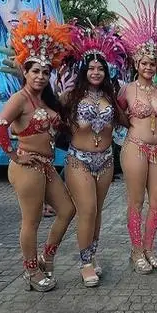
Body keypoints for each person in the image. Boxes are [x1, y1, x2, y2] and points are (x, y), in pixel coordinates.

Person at [0, 12, 76, 292]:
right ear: (24, 72)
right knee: (32, 220)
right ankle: (30, 271)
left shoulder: (44, 99)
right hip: (27, 166)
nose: (41, 76)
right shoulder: (19, 98)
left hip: (47, 166)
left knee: (67, 210)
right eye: (35, 71)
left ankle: (46, 257)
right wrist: (14, 155)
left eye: (45, 71)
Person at [58, 26, 127, 286]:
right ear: (84, 72)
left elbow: (126, 120)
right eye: (91, 69)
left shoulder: (111, 96)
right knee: (86, 210)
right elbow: (50, 111)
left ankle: (93, 255)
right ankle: (85, 263)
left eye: (100, 68)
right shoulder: (70, 97)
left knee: (97, 211)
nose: (96, 72)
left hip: (106, 160)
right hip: (79, 160)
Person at [117, 0, 157, 274]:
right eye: (144, 63)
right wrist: (127, 123)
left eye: (153, 63)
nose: (149, 67)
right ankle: (136, 251)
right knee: (136, 202)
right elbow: (114, 113)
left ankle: (149, 248)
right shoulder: (127, 90)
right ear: (137, 64)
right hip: (135, 147)